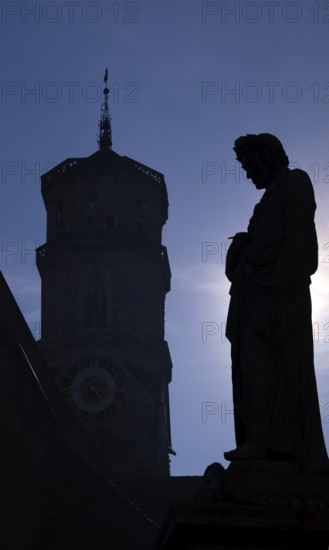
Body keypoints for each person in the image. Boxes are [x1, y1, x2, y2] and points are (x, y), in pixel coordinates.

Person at [224, 133, 328, 472]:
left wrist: (279, 292)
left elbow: (298, 240)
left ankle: (276, 443)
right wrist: (242, 245)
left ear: (266, 158)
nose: (247, 174)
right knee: (252, 369)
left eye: (249, 166)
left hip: (280, 297)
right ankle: (257, 439)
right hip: (255, 297)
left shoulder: (295, 183)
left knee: (278, 370)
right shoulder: (262, 205)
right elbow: (248, 261)